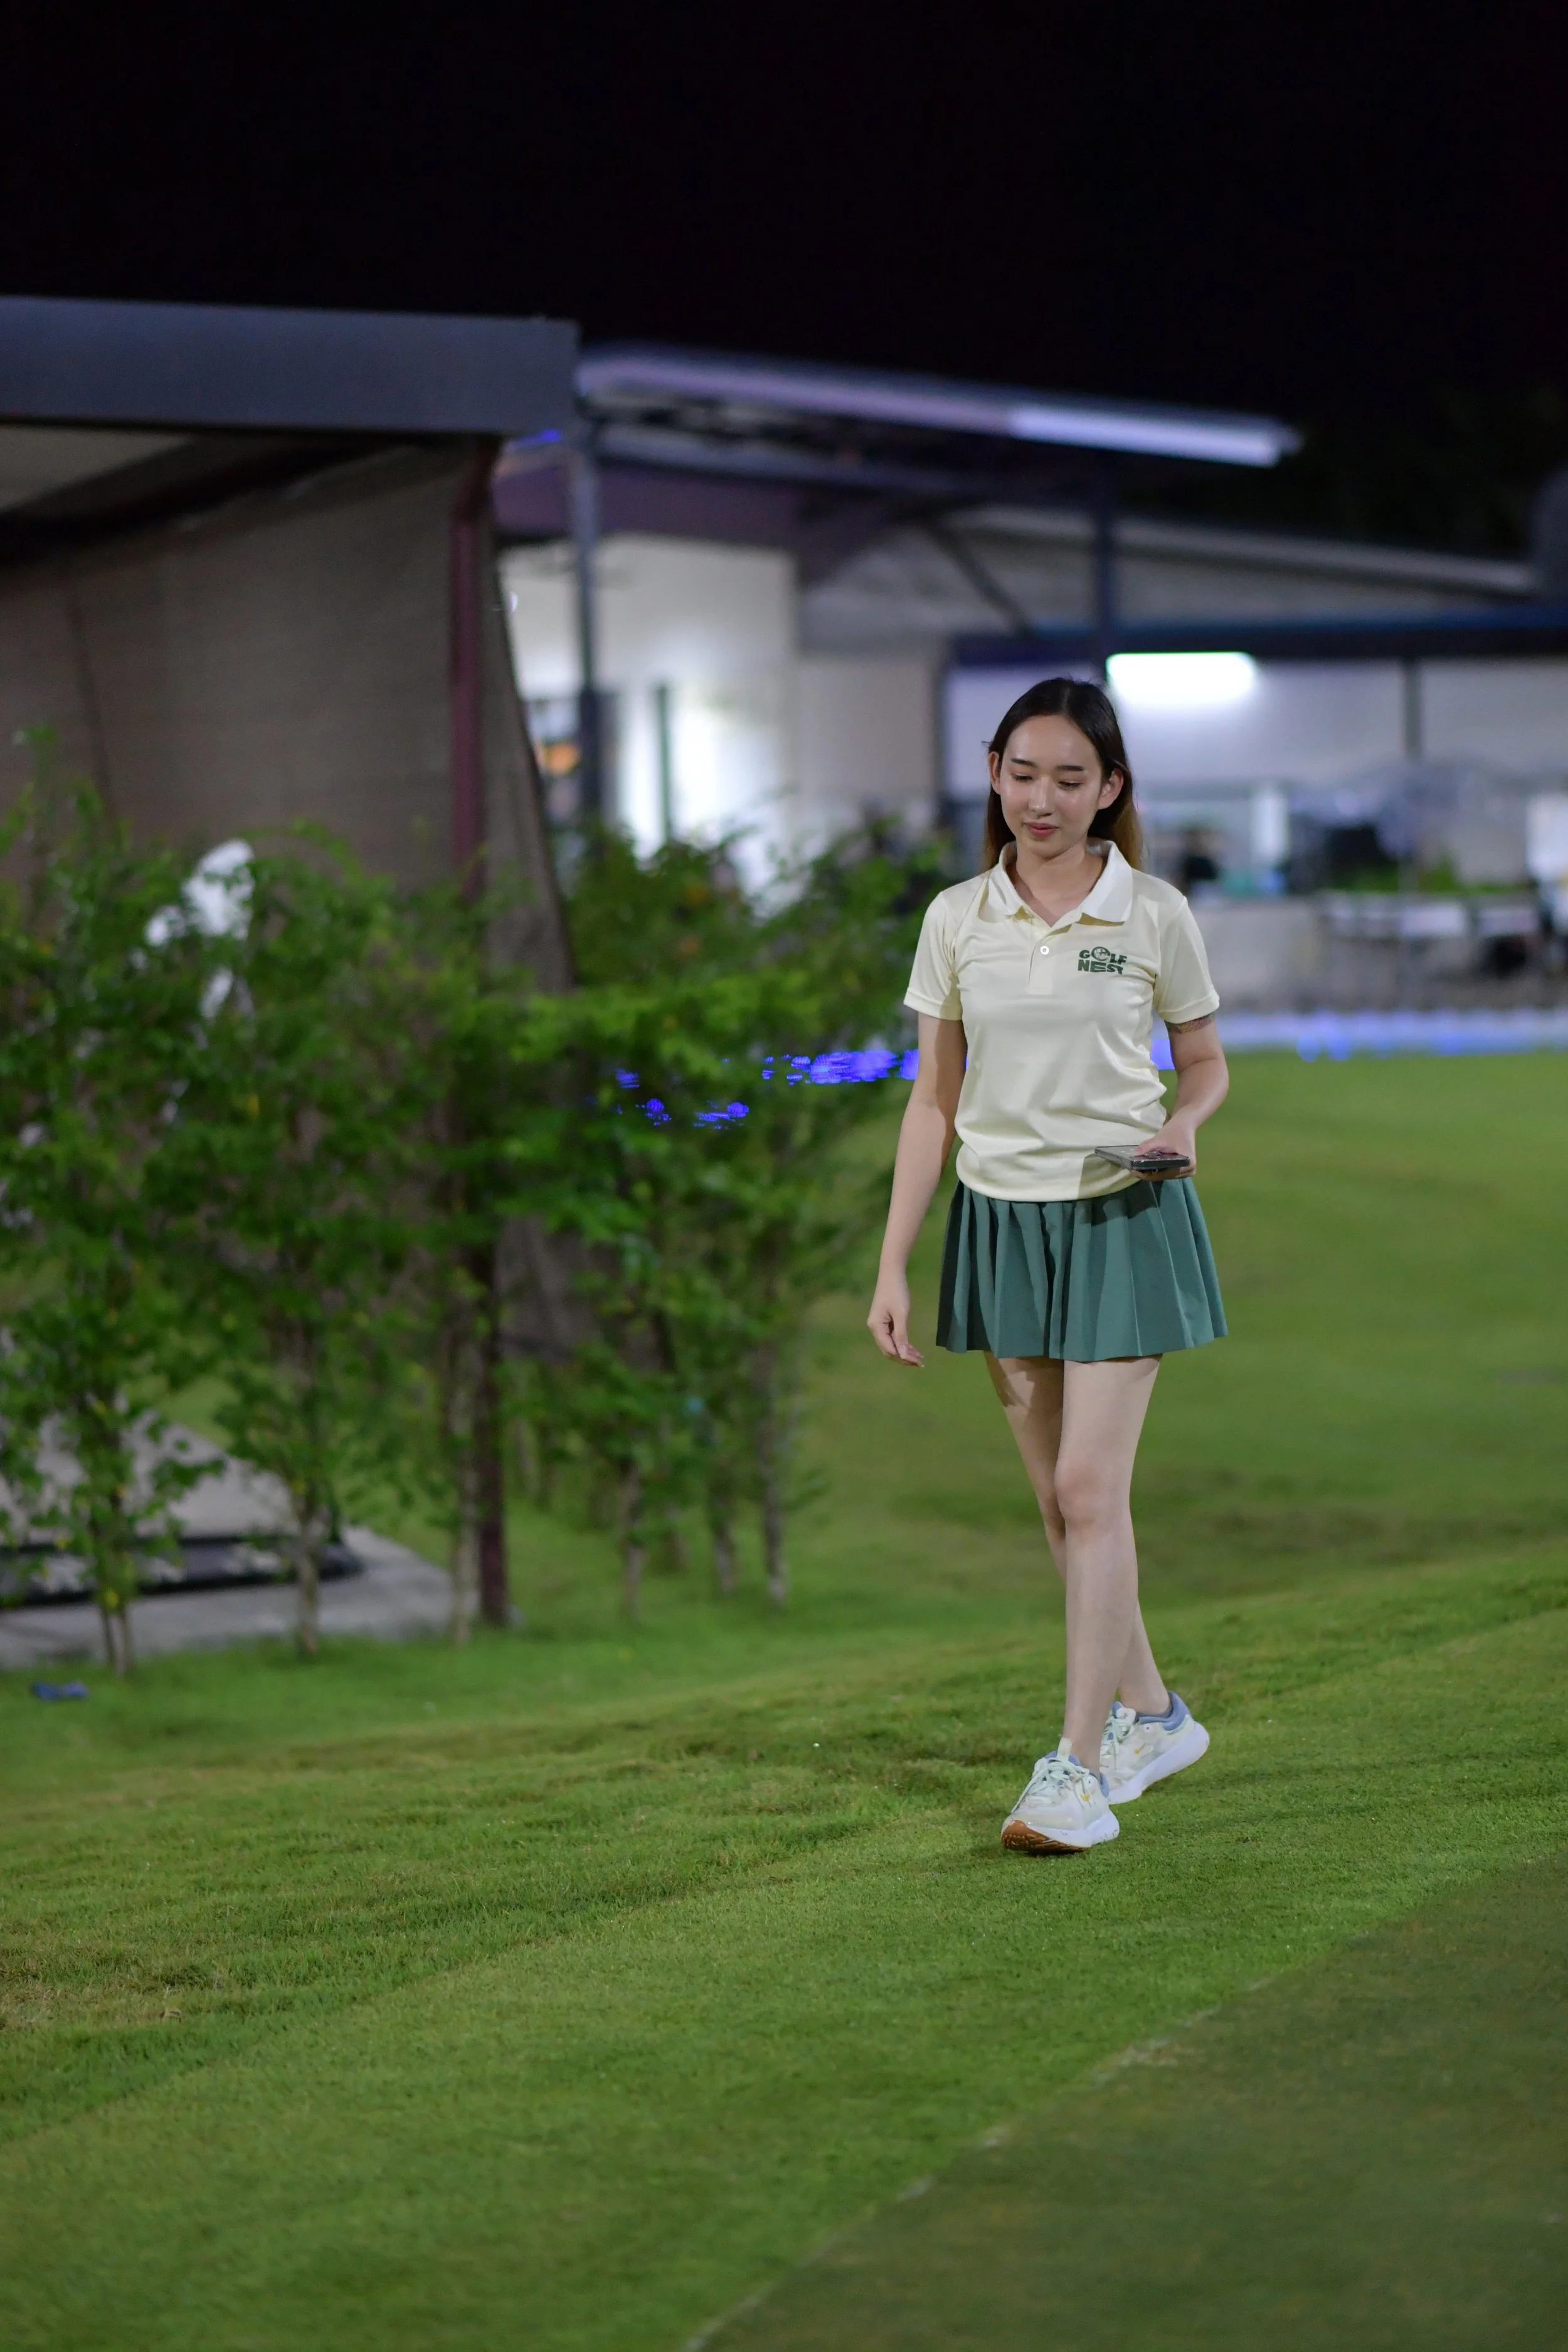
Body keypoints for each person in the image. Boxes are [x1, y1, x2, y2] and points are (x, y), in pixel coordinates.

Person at [867, 678, 1229, 1855]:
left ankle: (1074, 1770)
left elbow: (1207, 1062)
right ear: (993, 773)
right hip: (1000, 1221)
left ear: (1111, 789)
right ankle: (1156, 1714)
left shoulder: (1153, 912)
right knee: (1059, 1505)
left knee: (1088, 1491)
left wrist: (1186, 1123)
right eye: (1024, 773)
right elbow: (934, 1102)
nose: (1043, 798)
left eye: (1071, 778)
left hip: (1124, 1213)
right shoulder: (955, 917)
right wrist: (893, 1266)